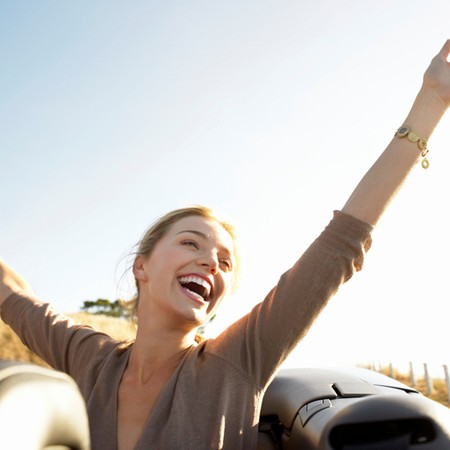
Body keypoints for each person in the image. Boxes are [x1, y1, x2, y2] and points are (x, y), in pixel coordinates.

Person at [1, 40, 450, 450]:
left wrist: (431, 100)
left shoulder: (238, 359)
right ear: (142, 266)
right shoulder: (90, 359)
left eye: (225, 262)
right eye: (191, 242)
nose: (210, 262)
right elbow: (13, 298)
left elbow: (341, 244)